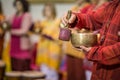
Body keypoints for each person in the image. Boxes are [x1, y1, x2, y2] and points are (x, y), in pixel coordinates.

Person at [62, 0, 120, 80]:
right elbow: (93, 19)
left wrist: (95, 53)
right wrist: (76, 18)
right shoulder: (113, 5)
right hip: (99, 72)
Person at [35, 3, 62, 80]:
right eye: (45, 10)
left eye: (49, 10)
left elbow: (59, 37)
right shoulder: (42, 23)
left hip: (53, 50)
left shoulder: (57, 22)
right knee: (44, 72)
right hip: (43, 51)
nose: (47, 12)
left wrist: (48, 36)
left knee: (52, 73)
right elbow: (37, 32)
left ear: (53, 11)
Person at [8, 0, 32, 71]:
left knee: (21, 69)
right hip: (13, 45)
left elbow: (24, 30)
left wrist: (11, 32)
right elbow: (6, 24)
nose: (18, 6)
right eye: (16, 4)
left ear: (24, 5)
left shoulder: (27, 15)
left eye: (20, 4)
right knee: (14, 68)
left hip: (22, 47)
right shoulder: (12, 16)